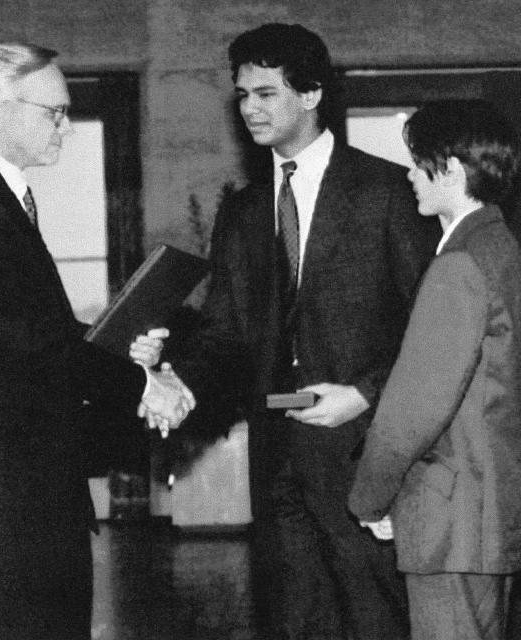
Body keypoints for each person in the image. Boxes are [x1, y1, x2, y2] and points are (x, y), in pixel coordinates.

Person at [0, 42, 194, 640]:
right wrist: (141, 384)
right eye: (52, 111)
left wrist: (118, 352)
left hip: (20, 484)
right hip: (0, 493)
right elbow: (33, 351)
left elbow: (33, 333)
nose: (67, 126)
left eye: (67, 110)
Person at [169, 22, 439, 640]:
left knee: (378, 622)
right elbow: (224, 335)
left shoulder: (388, 193)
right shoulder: (240, 211)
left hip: (364, 457)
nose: (250, 109)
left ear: (312, 95)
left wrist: (366, 393)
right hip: (277, 463)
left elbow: (430, 328)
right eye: (242, 95)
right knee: (294, 625)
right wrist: (177, 381)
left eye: (266, 93)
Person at [347, 99, 521, 640]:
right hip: (484, 513)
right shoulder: (501, 248)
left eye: (416, 162)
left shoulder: (458, 265)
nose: (409, 175)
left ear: (450, 168)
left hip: (448, 520)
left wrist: (369, 497)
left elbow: (413, 410)